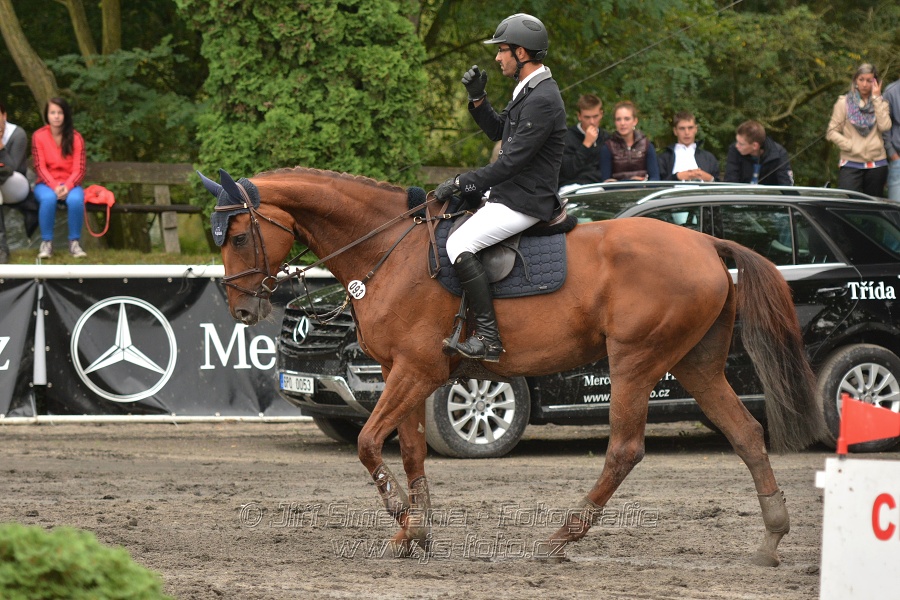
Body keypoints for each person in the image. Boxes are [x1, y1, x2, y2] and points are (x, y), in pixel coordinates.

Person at [434, 13, 566, 362]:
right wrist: (478, 99)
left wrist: (463, 181)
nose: (497, 57)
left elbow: (510, 163)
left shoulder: (543, 99)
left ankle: (489, 339)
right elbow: (498, 133)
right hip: (510, 193)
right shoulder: (529, 90)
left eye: (502, 50)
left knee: (458, 242)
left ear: (521, 53)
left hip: (526, 200)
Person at [32, 97, 87, 258]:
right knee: (48, 199)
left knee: (76, 200)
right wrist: (54, 186)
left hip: (71, 184)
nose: (56, 116)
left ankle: (75, 243)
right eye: (52, 112)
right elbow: (40, 167)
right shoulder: (38, 136)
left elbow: (80, 169)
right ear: (47, 115)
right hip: (46, 184)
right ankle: (47, 243)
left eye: (60, 113)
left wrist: (68, 186)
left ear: (65, 115)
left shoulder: (76, 138)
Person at [826, 64, 890, 197]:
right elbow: (831, 132)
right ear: (855, 80)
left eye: (869, 80)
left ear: (875, 82)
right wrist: (849, 145)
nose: (865, 84)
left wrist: (877, 99)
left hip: (876, 163)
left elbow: (885, 127)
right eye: (861, 79)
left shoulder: (882, 103)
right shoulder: (843, 102)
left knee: (872, 209)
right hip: (851, 162)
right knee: (846, 205)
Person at [1, 100, 32, 263]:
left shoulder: (17, 134)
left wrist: (1, 148)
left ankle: (2, 249)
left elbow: (11, 168)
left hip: (16, 185)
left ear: (4, 115)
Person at [558, 93, 610, 189]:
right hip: (571, 187)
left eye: (595, 116)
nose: (592, 122)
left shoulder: (606, 138)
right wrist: (586, 144)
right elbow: (568, 172)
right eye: (587, 117)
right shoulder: (566, 137)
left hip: (598, 187)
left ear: (601, 114)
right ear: (579, 116)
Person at [599, 101, 659, 182]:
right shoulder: (607, 147)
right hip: (617, 193)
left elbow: (655, 178)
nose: (622, 123)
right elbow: (606, 182)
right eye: (618, 119)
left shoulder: (647, 145)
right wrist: (633, 182)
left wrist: (643, 184)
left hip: (643, 191)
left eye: (627, 119)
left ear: (635, 121)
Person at [724, 120, 793, 186]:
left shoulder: (779, 154)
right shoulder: (734, 150)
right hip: (741, 195)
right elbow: (730, 180)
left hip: (768, 196)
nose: (737, 146)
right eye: (737, 141)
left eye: (741, 144)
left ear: (755, 146)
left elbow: (786, 184)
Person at [657, 111, 719, 182]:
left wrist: (710, 179)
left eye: (690, 128)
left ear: (696, 129)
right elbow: (658, 184)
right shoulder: (664, 158)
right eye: (682, 128)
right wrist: (677, 177)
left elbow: (720, 186)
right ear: (675, 131)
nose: (687, 132)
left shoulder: (708, 158)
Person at [881, 73, 900, 201]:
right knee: (896, 211)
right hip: (898, 160)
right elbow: (884, 127)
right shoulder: (891, 91)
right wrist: (893, 155)